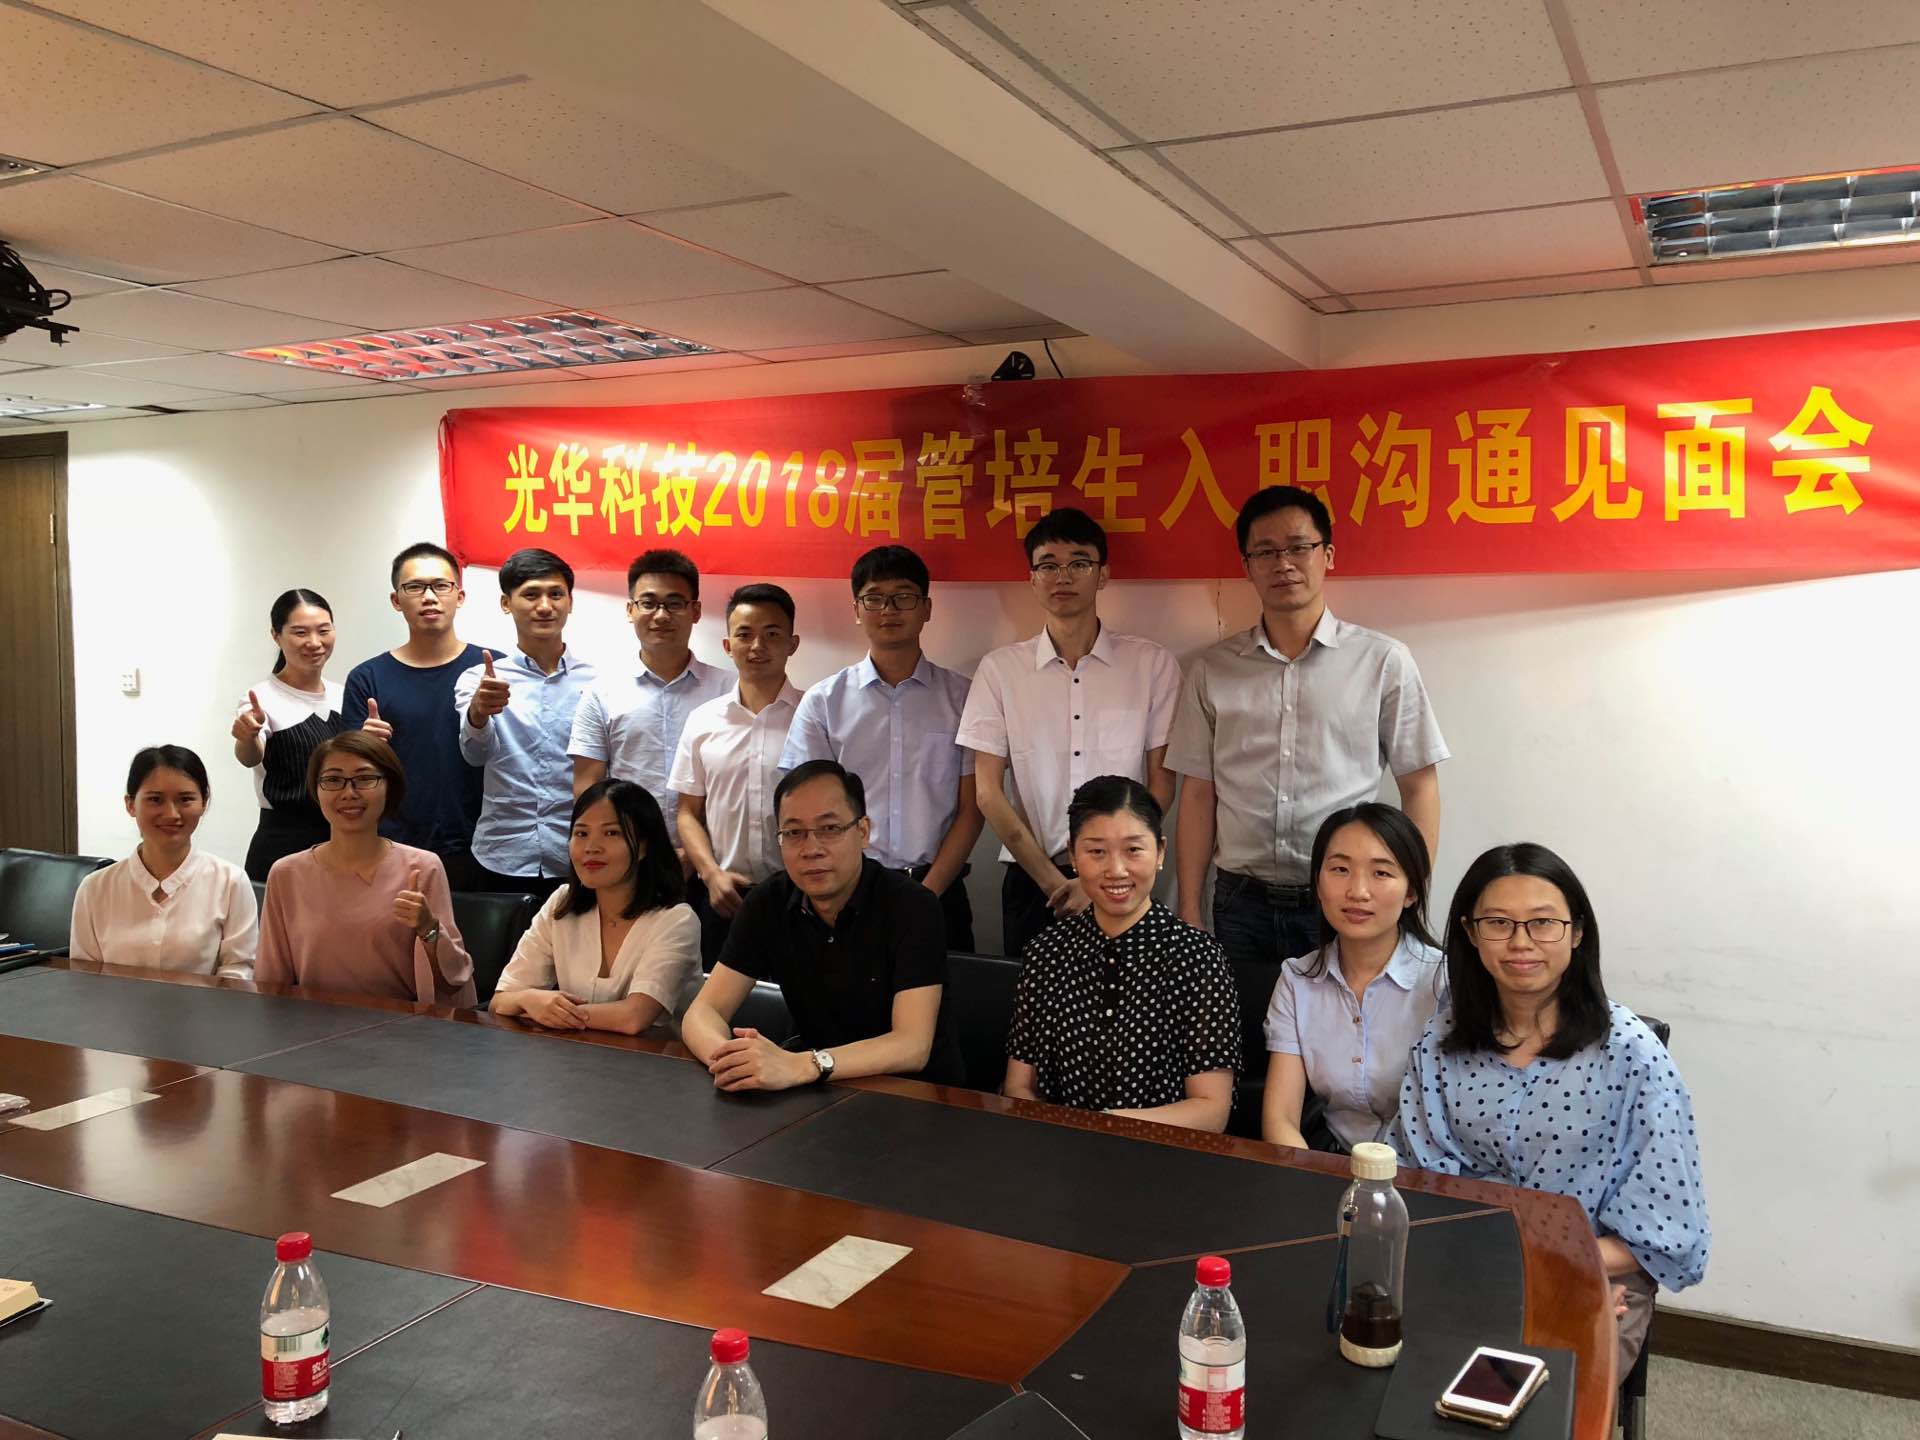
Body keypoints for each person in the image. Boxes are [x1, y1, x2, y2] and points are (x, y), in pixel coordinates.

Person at [1394, 842, 1710, 1378]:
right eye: (1498, 923)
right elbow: (1418, 1175)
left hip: (1592, 1265)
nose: (1521, 942)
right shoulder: (1441, 1040)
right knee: (1390, 1368)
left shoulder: (1631, 1054)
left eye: (1543, 923)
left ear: (1577, 932)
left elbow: (1668, 1227)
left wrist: (1571, 1269)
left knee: (1535, 1396)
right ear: (1470, 933)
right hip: (1464, 1256)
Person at [1168, 485, 1448, 971]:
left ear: (1328, 555)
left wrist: (1409, 899)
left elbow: (1419, 786)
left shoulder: (1382, 661)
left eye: (1299, 547)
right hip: (1240, 902)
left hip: (1346, 900)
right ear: (1247, 567)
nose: (1284, 564)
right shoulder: (1212, 670)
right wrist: (1190, 906)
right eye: (1265, 552)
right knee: (1241, 1020)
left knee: (1347, 1021)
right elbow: (1197, 793)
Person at [956, 508, 1181, 959]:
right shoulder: (1000, 670)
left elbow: (1161, 783)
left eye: (1079, 563)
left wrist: (1099, 874)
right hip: (1032, 881)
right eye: (1049, 565)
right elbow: (987, 793)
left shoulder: (1151, 664)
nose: (1063, 576)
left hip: (1123, 880)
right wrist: (1055, 883)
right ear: (1032, 579)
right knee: (1033, 1000)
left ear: (1103, 575)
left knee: (1128, 1000)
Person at [682, 760, 961, 1090]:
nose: (811, 849)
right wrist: (733, 1061)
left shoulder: (912, 906)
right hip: (817, 1090)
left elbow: (912, 1045)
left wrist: (805, 1064)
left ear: (863, 832)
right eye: (794, 833)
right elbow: (703, 1013)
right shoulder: (768, 902)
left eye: (829, 829)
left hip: (915, 1094)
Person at [1003, 776, 1239, 1132]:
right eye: (1096, 852)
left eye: (1133, 850)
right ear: (1073, 855)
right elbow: (1020, 1086)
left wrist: (1103, 1128)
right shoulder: (1046, 952)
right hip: (1058, 1148)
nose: (1116, 870)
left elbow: (1211, 1111)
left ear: (1160, 852)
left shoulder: (1197, 957)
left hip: (1162, 1151)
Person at [779, 544, 983, 950]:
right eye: (874, 598)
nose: (889, 609)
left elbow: (972, 808)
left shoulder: (964, 698)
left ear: (926, 608)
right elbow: (807, 808)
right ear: (857, 610)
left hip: (939, 891)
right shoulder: (824, 701)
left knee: (946, 991)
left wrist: (927, 894)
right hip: (847, 893)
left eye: (903, 597)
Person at [1260, 804, 1446, 1152]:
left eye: (1381, 873)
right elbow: (1280, 1119)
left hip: (1426, 1170)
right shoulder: (1297, 980)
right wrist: (1309, 1178)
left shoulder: (1445, 983)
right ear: (1318, 883)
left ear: (1411, 891)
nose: (1358, 891)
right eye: (1340, 869)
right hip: (1330, 1167)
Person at [256, 731, 475, 1006]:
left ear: (389, 787)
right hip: (311, 1023)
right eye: (333, 780)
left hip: (398, 1024)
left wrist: (429, 928)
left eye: (365, 779)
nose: (349, 793)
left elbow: (455, 978)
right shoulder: (286, 874)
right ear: (316, 789)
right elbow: (271, 980)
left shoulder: (422, 867)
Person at [489, 780, 701, 1037]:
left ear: (644, 846)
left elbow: (633, 1018)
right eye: (581, 834)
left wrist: (549, 1012)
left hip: (657, 1059)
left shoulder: (676, 920)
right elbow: (500, 1001)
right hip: (574, 1055)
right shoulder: (562, 903)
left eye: (611, 833)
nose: (591, 848)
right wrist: (528, 999)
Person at [341, 542, 497, 890]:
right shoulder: (367, 678)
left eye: (441, 586)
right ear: (396, 600)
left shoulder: (493, 670)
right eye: (414, 587)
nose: (429, 597)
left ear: (460, 596)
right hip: (394, 846)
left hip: (484, 847)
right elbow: (347, 772)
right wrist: (364, 747)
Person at [669, 583, 803, 965]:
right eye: (744, 634)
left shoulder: (813, 717)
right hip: (723, 896)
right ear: (728, 645)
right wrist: (711, 875)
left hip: (800, 896)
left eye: (772, 634)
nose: (757, 646)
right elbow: (687, 812)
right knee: (718, 996)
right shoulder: (702, 720)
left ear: (792, 644)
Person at [453, 548, 597, 900]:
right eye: (531, 595)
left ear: (570, 602)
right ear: (506, 603)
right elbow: (475, 755)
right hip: (501, 854)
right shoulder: (479, 679)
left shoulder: (598, 682)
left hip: (578, 855)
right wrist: (478, 713)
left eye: (555, 594)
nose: (545, 606)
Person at [568, 548, 731, 852]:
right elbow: (587, 788)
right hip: (631, 857)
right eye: (648, 603)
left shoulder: (729, 690)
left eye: (675, 603)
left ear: (695, 611)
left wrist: (698, 855)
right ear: (630, 610)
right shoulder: (601, 693)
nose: (661, 615)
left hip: (715, 859)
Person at [70, 745, 256, 978]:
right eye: (155, 800)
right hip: (115, 1003)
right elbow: (85, 976)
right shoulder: (94, 888)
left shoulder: (231, 882)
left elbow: (238, 970)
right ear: (130, 804)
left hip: (202, 1003)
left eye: (185, 799)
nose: (172, 814)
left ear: (204, 803)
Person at [231, 589, 344, 882]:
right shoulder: (260, 698)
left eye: (323, 630)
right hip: (284, 843)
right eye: (300, 632)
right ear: (276, 636)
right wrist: (247, 737)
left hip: (343, 839)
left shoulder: (344, 695)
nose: (314, 642)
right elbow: (250, 756)